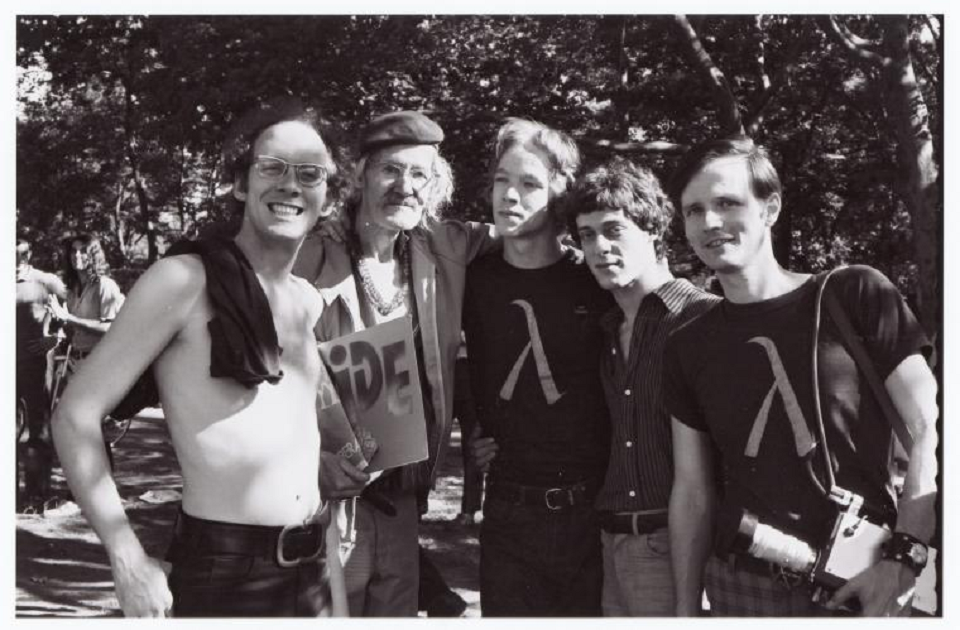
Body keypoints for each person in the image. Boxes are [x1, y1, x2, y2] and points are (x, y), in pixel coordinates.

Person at [51, 98, 340, 617]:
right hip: (223, 573)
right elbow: (75, 415)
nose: (290, 185)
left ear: (328, 194)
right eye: (271, 167)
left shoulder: (306, 300)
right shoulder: (185, 279)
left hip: (312, 567)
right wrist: (126, 556)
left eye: (309, 173)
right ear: (239, 183)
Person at [664, 136, 939, 616]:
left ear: (770, 208)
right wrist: (686, 611)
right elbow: (692, 491)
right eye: (694, 210)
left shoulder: (854, 294)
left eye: (727, 203)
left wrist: (905, 558)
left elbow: (929, 432)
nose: (710, 222)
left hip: (863, 579)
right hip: (742, 587)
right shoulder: (686, 343)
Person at [293, 110, 496, 616]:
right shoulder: (308, 256)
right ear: (359, 174)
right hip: (323, 502)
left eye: (419, 174)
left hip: (404, 503)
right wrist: (312, 469)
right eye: (390, 169)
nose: (405, 186)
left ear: (435, 185)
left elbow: (525, 235)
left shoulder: (442, 248)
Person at [464, 118, 611, 616]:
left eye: (529, 184)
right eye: (502, 180)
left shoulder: (596, 281)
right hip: (507, 513)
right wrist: (474, 428)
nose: (510, 196)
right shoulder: (469, 282)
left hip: (592, 515)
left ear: (561, 193)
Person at [563, 158, 719, 616]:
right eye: (587, 235)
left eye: (614, 230)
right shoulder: (607, 329)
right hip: (609, 543)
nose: (600, 247)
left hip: (676, 547)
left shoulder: (702, 318)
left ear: (654, 231)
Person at [16, 238, 67, 511]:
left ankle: (37, 495)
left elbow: (69, 312)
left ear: (28, 254)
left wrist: (54, 339)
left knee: (38, 430)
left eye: (20, 254)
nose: (15, 261)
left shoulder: (46, 281)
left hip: (34, 367)